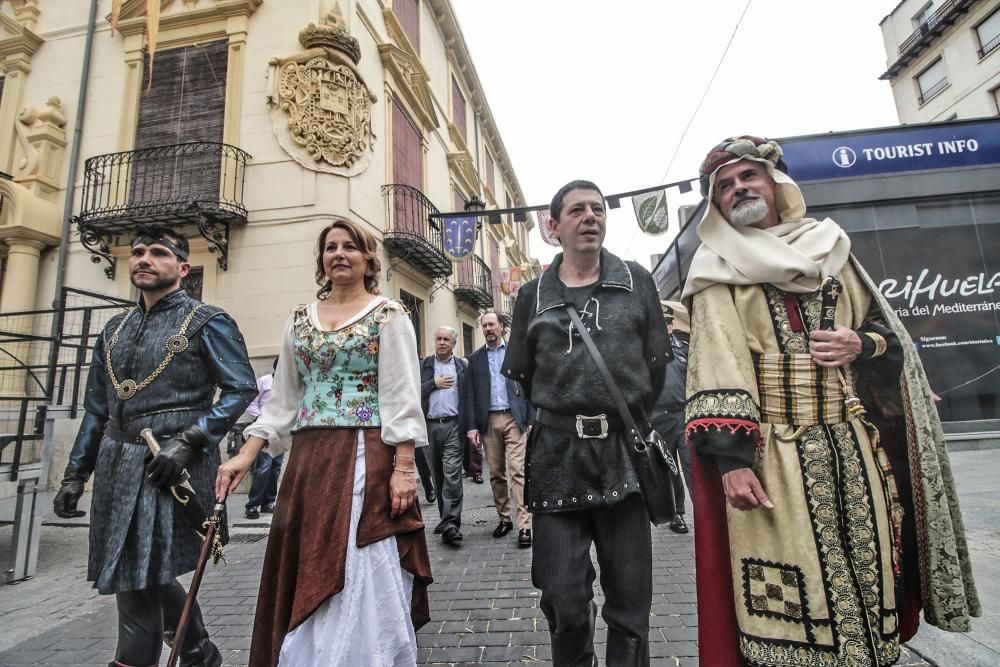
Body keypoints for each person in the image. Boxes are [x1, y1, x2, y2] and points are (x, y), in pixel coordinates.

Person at [684, 136, 980, 666]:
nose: (738, 189)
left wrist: (860, 344)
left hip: (853, 444)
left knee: (868, 571)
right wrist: (731, 464)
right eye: (724, 186)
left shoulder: (832, 249)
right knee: (791, 593)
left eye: (748, 177)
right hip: (774, 455)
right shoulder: (714, 270)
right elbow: (717, 362)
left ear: (776, 185)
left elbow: (885, 338)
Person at [216, 219, 432, 667]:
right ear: (321, 260)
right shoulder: (300, 319)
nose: (339, 254)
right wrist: (246, 453)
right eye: (330, 247)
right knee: (309, 550)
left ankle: (362, 655)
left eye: (350, 246)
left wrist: (404, 466)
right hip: (308, 459)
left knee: (359, 554)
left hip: (364, 453)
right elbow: (283, 400)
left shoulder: (388, 315)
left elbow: (401, 394)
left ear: (369, 258)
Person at [51, 227, 257, 667]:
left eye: (159, 253)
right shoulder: (113, 329)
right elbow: (95, 409)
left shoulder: (207, 320)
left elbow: (241, 389)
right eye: (138, 252)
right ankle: (200, 654)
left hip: (169, 467)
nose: (144, 259)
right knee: (141, 569)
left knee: (138, 577)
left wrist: (188, 442)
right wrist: (75, 474)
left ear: (182, 268)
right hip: (115, 464)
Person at [502, 180, 671, 666]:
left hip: (624, 456)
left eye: (597, 209)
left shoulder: (637, 281)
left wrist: (623, 417)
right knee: (564, 601)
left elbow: (656, 367)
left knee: (630, 604)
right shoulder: (532, 296)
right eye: (577, 210)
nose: (590, 217)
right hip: (556, 457)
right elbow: (522, 374)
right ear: (554, 228)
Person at [464, 311, 535, 547]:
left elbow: (529, 387)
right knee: (495, 473)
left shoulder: (516, 354)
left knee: (518, 471)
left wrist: (531, 418)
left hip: (515, 419)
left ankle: (525, 525)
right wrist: (472, 427)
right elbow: (470, 395)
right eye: (484, 325)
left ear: (501, 326)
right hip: (489, 422)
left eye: (491, 324)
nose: (488, 329)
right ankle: (504, 518)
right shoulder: (475, 360)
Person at [420, 325, 470, 545]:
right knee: (437, 475)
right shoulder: (424, 365)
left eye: (446, 339)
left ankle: (451, 523)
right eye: (438, 338)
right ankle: (445, 517)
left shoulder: (462, 366)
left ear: (453, 343)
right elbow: (412, 390)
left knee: (452, 474)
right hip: (429, 426)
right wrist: (434, 384)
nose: (441, 342)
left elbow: (469, 396)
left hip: (453, 426)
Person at [648, 301, 693, 534]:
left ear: (672, 324)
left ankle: (705, 517)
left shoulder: (684, 349)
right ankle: (677, 514)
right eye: (661, 322)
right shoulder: (646, 351)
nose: (665, 326)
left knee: (692, 467)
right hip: (657, 417)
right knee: (669, 468)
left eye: (668, 321)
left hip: (682, 415)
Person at [244, 359, 284, 519]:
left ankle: (268, 503)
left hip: (280, 431)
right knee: (263, 468)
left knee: (275, 468)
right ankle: (252, 505)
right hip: (263, 429)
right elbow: (251, 404)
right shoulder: (264, 381)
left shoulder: (287, 385)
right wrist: (262, 418)